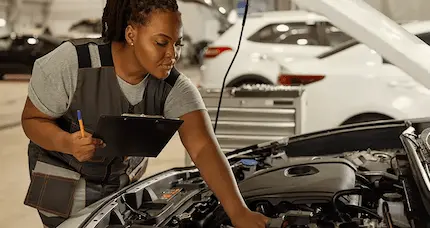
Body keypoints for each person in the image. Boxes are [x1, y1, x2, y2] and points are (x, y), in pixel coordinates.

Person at [20, 0, 269, 227]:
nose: (173, 54)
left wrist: (239, 212)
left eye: (178, 43)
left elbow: (203, 147)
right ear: (131, 34)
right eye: (162, 43)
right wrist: (66, 142)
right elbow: (32, 120)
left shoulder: (174, 87)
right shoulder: (71, 63)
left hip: (120, 190)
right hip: (66, 193)